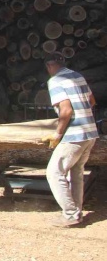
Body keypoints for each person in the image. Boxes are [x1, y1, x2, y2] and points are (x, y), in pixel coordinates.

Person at [43, 52, 99, 227]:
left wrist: (58, 134)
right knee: (76, 172)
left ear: (49, 66)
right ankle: (77, 213)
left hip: (74, 135)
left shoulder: (55, 81)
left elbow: (66, 111)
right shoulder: (77, 76)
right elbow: (92, 101)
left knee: (54, 172)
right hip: (90, 133)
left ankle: (69, 214)